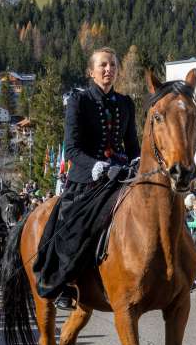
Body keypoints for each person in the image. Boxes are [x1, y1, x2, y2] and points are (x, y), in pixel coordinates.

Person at [35, 47, 141, 309]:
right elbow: (71, 148)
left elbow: (132, 146)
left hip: (121, 176)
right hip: (87, 179)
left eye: (113, 65)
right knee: (75, 227)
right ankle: (64, 283)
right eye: (103, 65)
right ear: (91, 71)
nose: (109, 70)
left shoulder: (126, 103)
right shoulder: (79, 101)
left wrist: (137, 163)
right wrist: (97, 166)